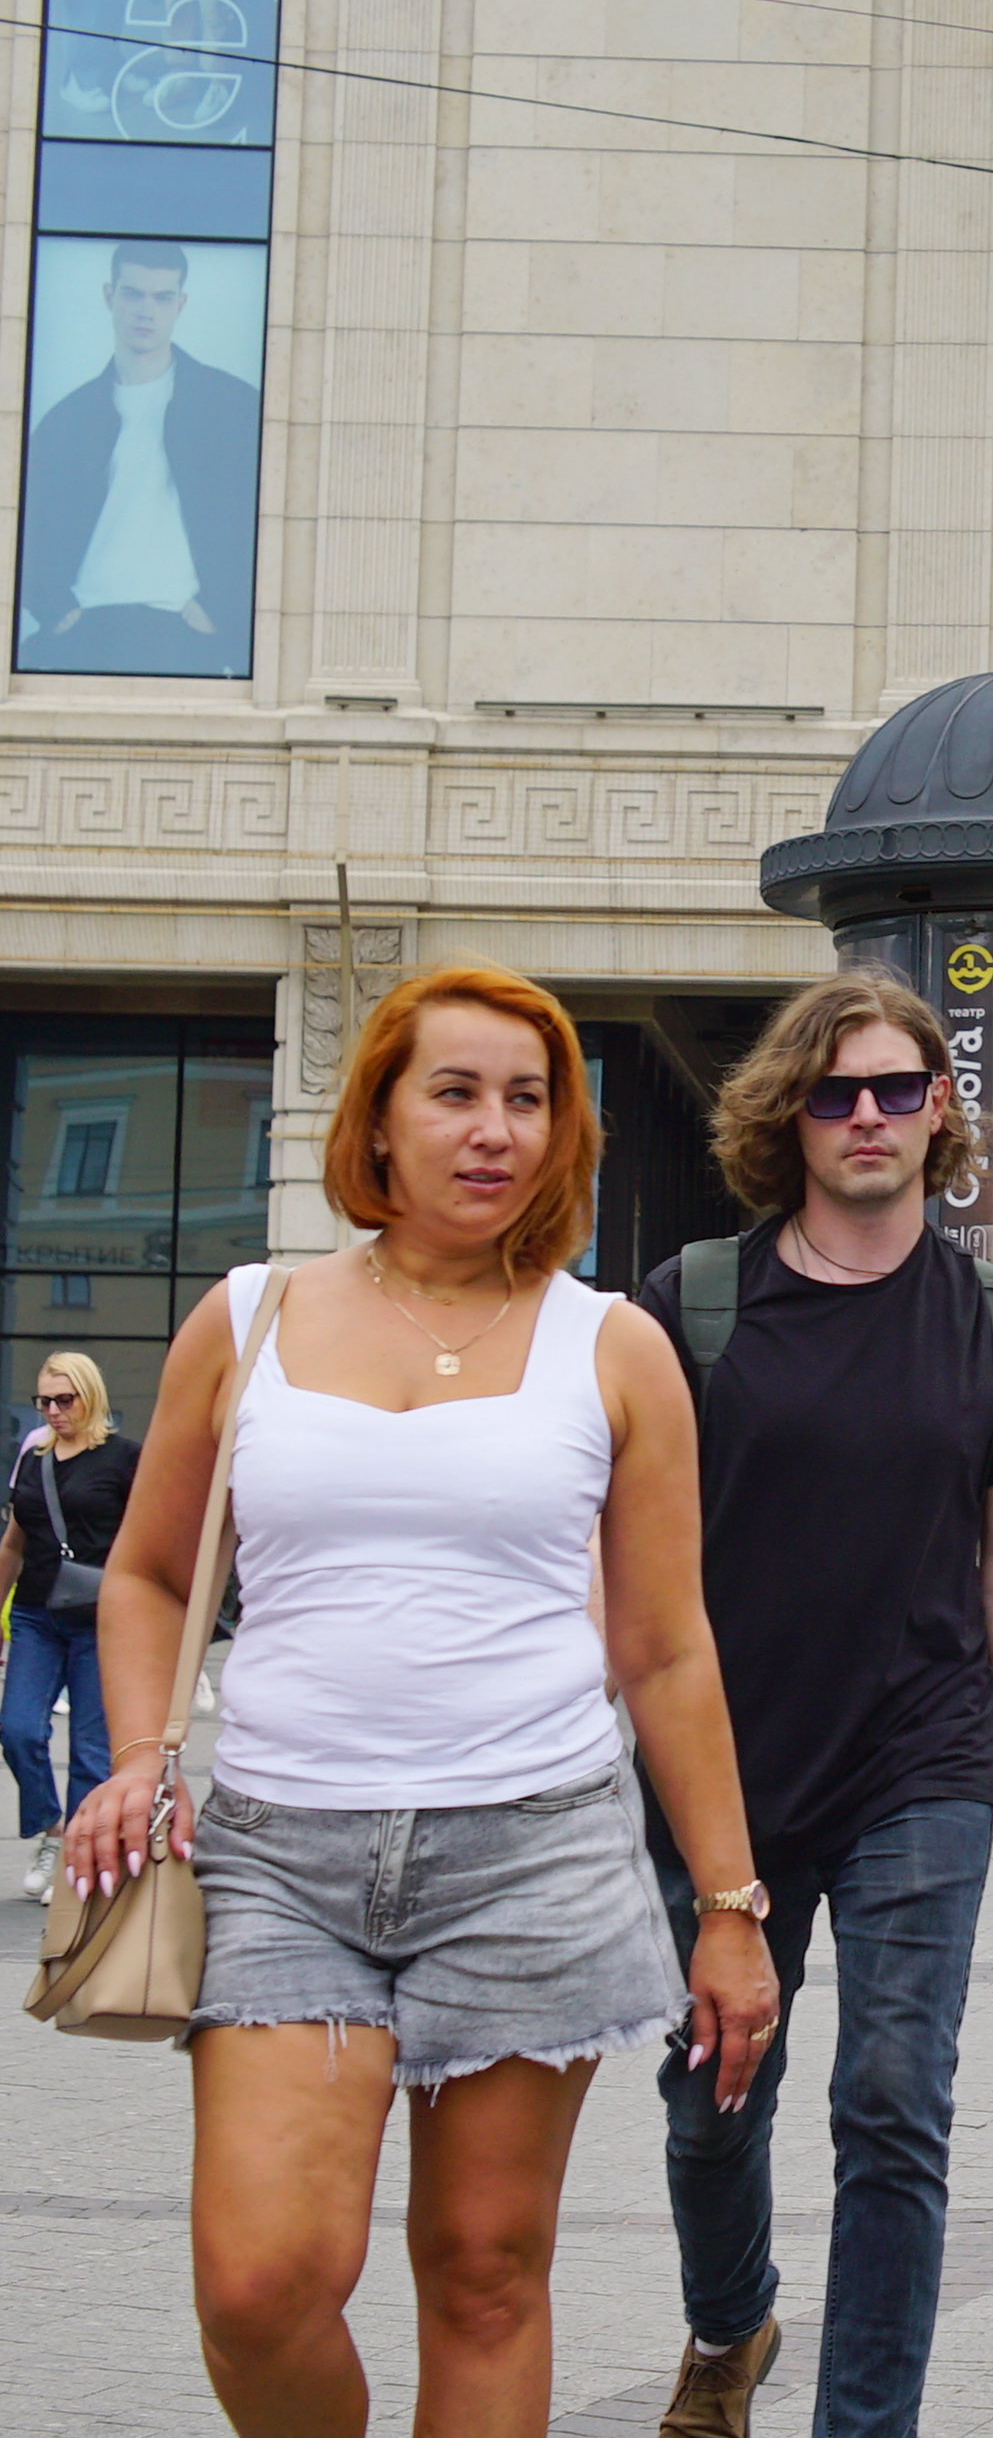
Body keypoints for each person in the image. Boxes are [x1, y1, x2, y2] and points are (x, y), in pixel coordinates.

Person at [64, 964, 779, 2438]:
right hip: (277, 1851)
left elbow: (664, 1648)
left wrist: (728, 1903)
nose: (494, 1129)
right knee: (261, 2284)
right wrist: (142, 1752)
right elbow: (142, 1576)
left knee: (483, 2274)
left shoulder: (613, 1345)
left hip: (535, 1851)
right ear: (379, 1120)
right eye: (454, 1092)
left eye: (529, 1099)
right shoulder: (246, 1318)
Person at [635, 968, 993, 2438]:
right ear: (792, 1116)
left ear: (939, 1107)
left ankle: (863, 2424)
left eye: (897, 1087)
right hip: (726, 1770)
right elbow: (627, 1572)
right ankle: (731, 2321)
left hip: (922, 1763)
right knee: (710, 2105)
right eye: (837, 1092)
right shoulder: (691, 1305)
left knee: (891, 2099)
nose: (869, 1114)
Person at [18, 238, 262, 675]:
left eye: (162, 297)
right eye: (132, 293)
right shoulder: (66, 420)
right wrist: (56, 610)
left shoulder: (233, 405)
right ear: (109, 296)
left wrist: (222, 612)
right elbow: (26, 524)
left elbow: (263, 519)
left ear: (180, 303)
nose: (146, 310)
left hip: (187, 631)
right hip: (84, 630)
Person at [0, 1351, 137, 1905]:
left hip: (100, 1620)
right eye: (45, 1401)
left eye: (64, 1399)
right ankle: (52, 1832)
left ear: (91, 1397)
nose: (54, 1411)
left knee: (90, 1750)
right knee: (18, 1730)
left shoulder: (125, 1459)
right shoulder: (32, 1457)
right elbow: (15, 1540)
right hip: (35, 1615)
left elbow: (147, 1541)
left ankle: (76, 1858)